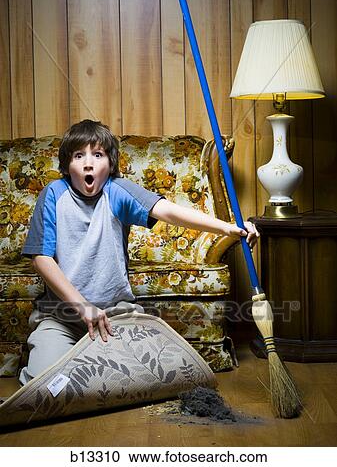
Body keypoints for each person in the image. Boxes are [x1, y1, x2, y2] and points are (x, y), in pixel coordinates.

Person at [19, 119, 259, 385]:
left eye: (97, 155)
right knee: (47, 383)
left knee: (154, 375)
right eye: (79, 155)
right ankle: (51, 363)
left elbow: (168, 211)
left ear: (110, 165)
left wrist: (229, 228)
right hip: (60, 317)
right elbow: (40, 258)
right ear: (67, 166)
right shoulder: (53, 194)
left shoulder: (116, 190)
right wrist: (83, 306)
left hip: (115, 317)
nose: (88, 163)